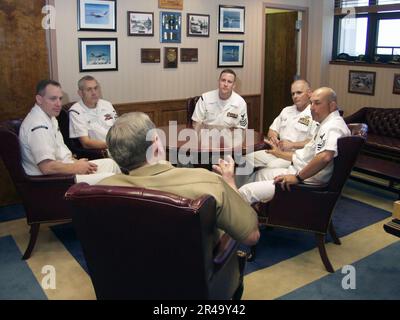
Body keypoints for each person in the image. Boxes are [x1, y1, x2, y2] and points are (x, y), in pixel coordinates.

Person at [98, 112, 260, 246]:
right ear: (156, 145)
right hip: (192, 277)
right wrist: (230, 183)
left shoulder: (100, 191)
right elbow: (251, 235)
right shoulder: (207, 182)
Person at [214, 87, 350, 205]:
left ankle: (234, 225)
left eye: (317, 103)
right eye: (312, 103)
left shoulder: (332, 127)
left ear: (332, 106)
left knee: (246, 191)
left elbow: (325, 157)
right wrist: (278, 152)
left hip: (305, 183)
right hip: (296, 169)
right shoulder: (325, 123)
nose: (312, 108)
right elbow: (307, 155)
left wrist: (298, 178)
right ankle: (233, 205)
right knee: (256, 175)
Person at [19, 80, 120, 184]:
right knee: (114, 178)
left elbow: (61, 152)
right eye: (53, 99)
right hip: (54, 180)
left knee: (111, 164)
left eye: (60, 98)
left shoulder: (50, 117)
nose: (58, 104)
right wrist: (75, 167)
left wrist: (76, 163)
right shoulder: (38, 126)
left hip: (66, 168)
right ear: (39, 99)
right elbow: (47, 167)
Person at [251, 79, 317, 169]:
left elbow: (313, 142)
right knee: (247, 159)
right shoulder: (286, 110)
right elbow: (272, 129)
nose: (295, 96)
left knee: (271, 166)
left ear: (309, 93)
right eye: (293, 94)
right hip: (277, 150)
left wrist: (292, 144)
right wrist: (273, 137)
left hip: (295, 155)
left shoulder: (314, 114)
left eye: (299, 93)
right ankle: (237, 183)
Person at [69, 75, 117, 149]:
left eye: (96, 88)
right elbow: (86, 143)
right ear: (80, 93)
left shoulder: (107, 104)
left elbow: (119, 128)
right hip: (100, 151)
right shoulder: (76, 111)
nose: (94, 92)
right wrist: (113, 145)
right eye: (89, 89)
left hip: (117, 146)